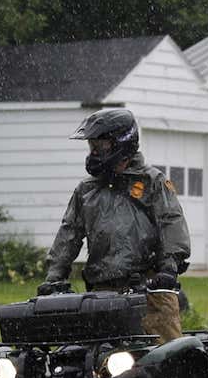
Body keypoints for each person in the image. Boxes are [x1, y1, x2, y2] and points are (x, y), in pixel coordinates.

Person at [39, 108, 191, 342]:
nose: (95, 152)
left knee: (169, 363)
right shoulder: (86, 191)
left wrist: (169, 269)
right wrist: (54, 276)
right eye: (92, 146)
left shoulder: (152, 181)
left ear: (123, 143)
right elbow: (69, 233)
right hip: (101, 295)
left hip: (151, 291)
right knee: (96, 365)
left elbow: (171, 222)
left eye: (101, 146)